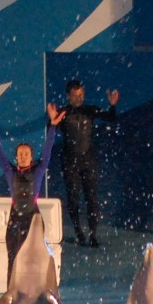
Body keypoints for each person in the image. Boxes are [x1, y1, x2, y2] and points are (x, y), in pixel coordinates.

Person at [0, 105, 65, 277]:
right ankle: (12, 288)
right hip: (15, 217)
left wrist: (53, 126)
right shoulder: (10, 171)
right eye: (20, 154)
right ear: (16, 158)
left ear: (31, 157)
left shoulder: (38, 170)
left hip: (33, 217)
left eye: (26, 154)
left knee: (36, 256)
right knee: (13, 256)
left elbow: (48, 150)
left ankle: (38, 285)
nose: (23, 157)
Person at [57, 79, 119, 248]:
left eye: (81, 95)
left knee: (92, 198)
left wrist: (112, 105)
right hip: (70, 162)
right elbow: (51, 129)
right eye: (75, 95)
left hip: (89, 161)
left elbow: (111, 118)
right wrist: (52, 120)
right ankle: (79, 232)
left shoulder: (90, 110)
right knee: (73, 199)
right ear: (68, 96)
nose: (79, 98)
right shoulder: (62, 113)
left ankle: (93, 235)